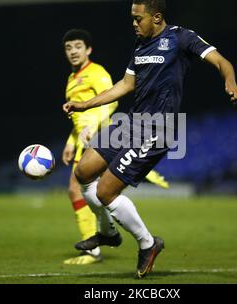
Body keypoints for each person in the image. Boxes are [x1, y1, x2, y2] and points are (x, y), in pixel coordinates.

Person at [63, 0, 237, 278]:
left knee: (106, 191)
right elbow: (124, 85)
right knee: (83, 171)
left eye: (138, 18)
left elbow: (223, 62)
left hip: (159, 127)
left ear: (157, 17)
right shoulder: (140, 45)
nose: (134, 24)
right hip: (133, 122)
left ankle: (147, 244)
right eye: (132, 19)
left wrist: (231, 83)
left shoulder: (182, 38)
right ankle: (108, 233)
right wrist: (84, 104)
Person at [61, 28, 169, 265]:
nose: (73, 51)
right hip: (83, 140)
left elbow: (110, 102)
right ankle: (106, 234)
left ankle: (98, 245)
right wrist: (71, 142)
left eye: (78, 46)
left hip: (102, 136)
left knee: (84, 188)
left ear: (88, 49)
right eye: (68, 48)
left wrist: (92, 125)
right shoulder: (72, 79)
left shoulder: (96, 72)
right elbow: (77, 120)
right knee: (85, 187)